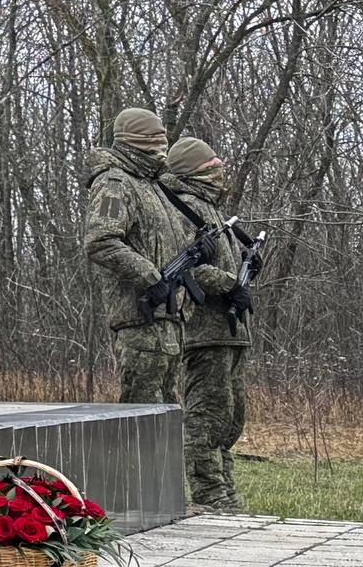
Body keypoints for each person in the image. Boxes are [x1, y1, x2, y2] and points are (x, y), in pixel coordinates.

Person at [161, 136, 256, 511]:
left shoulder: (213, 210)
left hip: (230, 332)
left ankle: (225, 494)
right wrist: (230, 285)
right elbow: (188, 266)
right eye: (211, 165)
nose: (220, 170)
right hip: (204, 330)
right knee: (205, 418)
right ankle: (209, 495)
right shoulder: (184, 208)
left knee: (230, 419)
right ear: (197, 171)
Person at [85, 105, 198, 412]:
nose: (161, 147)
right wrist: (151, 277)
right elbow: (101, 240)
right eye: (155, 140)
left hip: (169, 318)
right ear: (137, 141)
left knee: (168, 417)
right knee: (142, 418)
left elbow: (164, 242)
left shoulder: (154, 186)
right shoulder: (115, 183)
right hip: (141, 318)